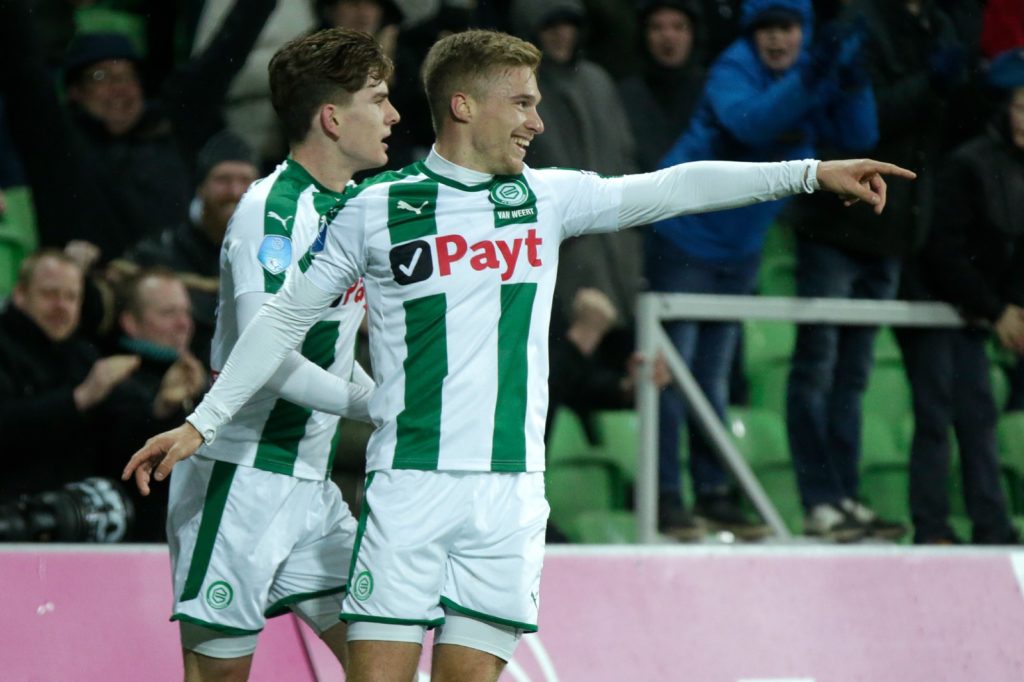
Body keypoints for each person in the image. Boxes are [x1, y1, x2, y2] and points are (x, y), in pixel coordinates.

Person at [124, 28, 913, 682]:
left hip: (511, 495)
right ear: (465, 105)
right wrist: (204, 422)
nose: (537, 120)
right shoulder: (376, 207)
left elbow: (673, 187)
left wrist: (809, 173)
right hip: (409, 488)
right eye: (524, 102)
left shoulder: (545, 198)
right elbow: (281, 320)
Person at [138, 28, 397, 679]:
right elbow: (270, 353)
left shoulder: (353, 210)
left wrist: (381, 396)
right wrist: (374, 404)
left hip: (312, 487)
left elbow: (331, 347)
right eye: (378, 99)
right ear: (332, 117)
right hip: (241, 481)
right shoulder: (270, 213)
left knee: (383, 662)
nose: (393, 115)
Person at [648, 0, 878, 541]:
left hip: (739, 250)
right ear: (752, 34)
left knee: (712, 378)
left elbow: (858, 137)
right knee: (671, 376)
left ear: (805, 30)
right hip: (684, 238)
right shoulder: (733, 68)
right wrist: (811, 77)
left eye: (788, 27)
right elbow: (751, 126)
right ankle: (664, 498)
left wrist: (852, 81)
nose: (777, 39)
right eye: (767, 28)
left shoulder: (811, 73)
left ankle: (712, 494)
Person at [787, 0, 966, 542]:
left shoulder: (939, 24)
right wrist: (930, 85)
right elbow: (864, 122)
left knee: (854, 375)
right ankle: (819, 501)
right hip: (836, 226)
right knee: (818, 368)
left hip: (892, 230)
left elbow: (938, 132)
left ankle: (844, 496)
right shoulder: (861, 21)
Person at [899, 52, 1024, 545]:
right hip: (932, 304)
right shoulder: (968, 164)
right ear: (1004, 110)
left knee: (979, 415)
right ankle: (931, 528)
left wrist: (1009, 307)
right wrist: (998, 309)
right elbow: (942, 252)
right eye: (1022, 108)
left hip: (972, 310)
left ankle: (991, 527)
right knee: (935, 414)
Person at [0, 249, 140, 501]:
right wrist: (78, 399)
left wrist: (162, 409)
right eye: (50, 294)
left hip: (77, 507)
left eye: (71, 297)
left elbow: (119, 436)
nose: (62, 306)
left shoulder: (82, 354)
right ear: (20, 294)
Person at [124, 131, 260, 367]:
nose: (235, 191)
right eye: (223, 180)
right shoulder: (157, 255)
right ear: (200, 188)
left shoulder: (279, 255)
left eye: (245, 181)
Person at [105, 268, 208, 541]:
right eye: (168, 313)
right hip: (135, 537)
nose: (184, 323)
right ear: (130, 322)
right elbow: (115, 461)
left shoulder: (201, 375)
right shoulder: (110, 377)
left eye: (186, 313)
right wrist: (162, 410)